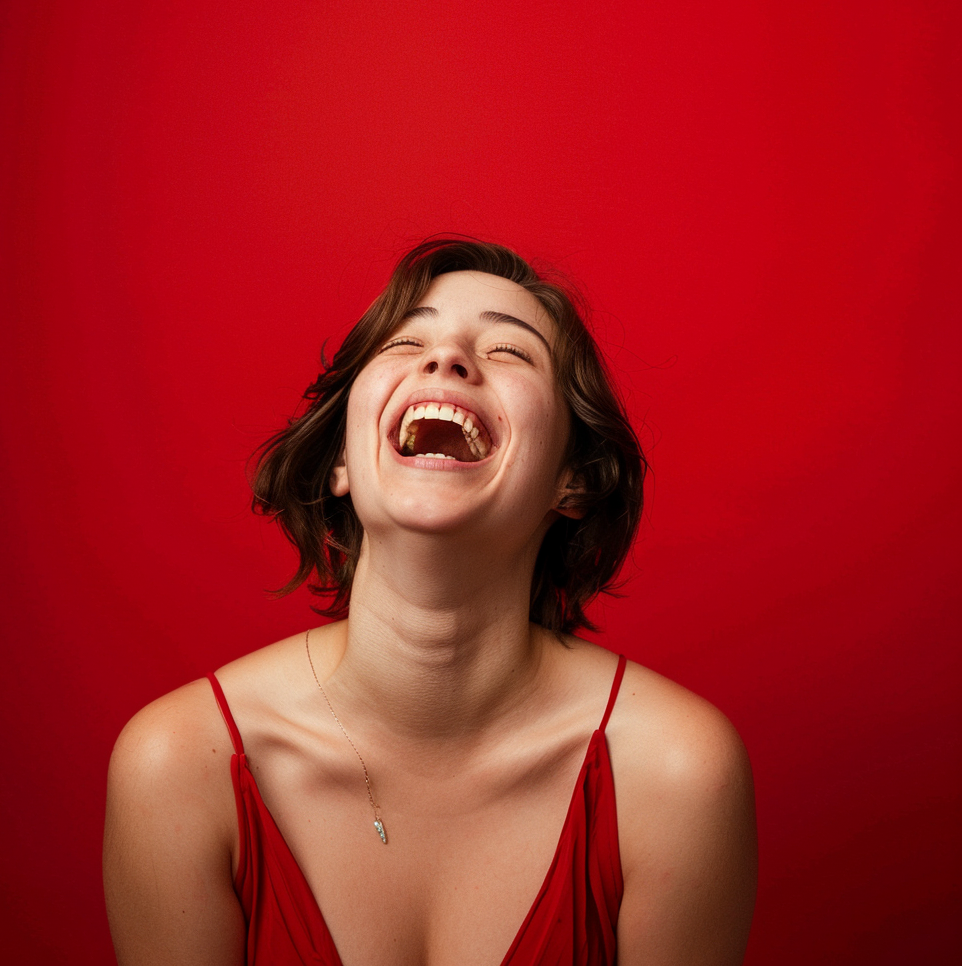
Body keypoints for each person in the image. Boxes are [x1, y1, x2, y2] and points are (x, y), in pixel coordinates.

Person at [103, 238, 757, 965]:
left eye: (510, 351)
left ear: (573, 480)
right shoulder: (178, 767)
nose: (446, 360)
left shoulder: (674, 773)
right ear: (345, 460)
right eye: (408, 340)